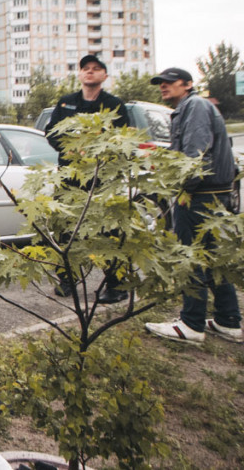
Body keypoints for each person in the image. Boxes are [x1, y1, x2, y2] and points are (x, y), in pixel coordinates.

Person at [145, 67, 241, 344]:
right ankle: (229, 321)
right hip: (214, 193)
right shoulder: (189, 107)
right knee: (211, 258)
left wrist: (183, 187)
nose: (163, 87)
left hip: (199, 194)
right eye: (160, 83)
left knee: (191, 258)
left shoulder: (194, 106)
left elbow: (195, 154)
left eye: (169, 82)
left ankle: (192, 324)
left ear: (187, 84)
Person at [44, 54, 131, 303]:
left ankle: (116, 286)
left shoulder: (113, 105)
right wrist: (71, 148)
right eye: (86, 68)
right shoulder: (66, 103)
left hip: (100, 181)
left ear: (104, 75)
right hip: (69, 178)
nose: (90, 72)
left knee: (105, 232)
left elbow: (122, 139)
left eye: (96, 68)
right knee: (65, 231)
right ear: (80, 74)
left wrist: (96, 149)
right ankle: (67, 280)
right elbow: (51, 133)